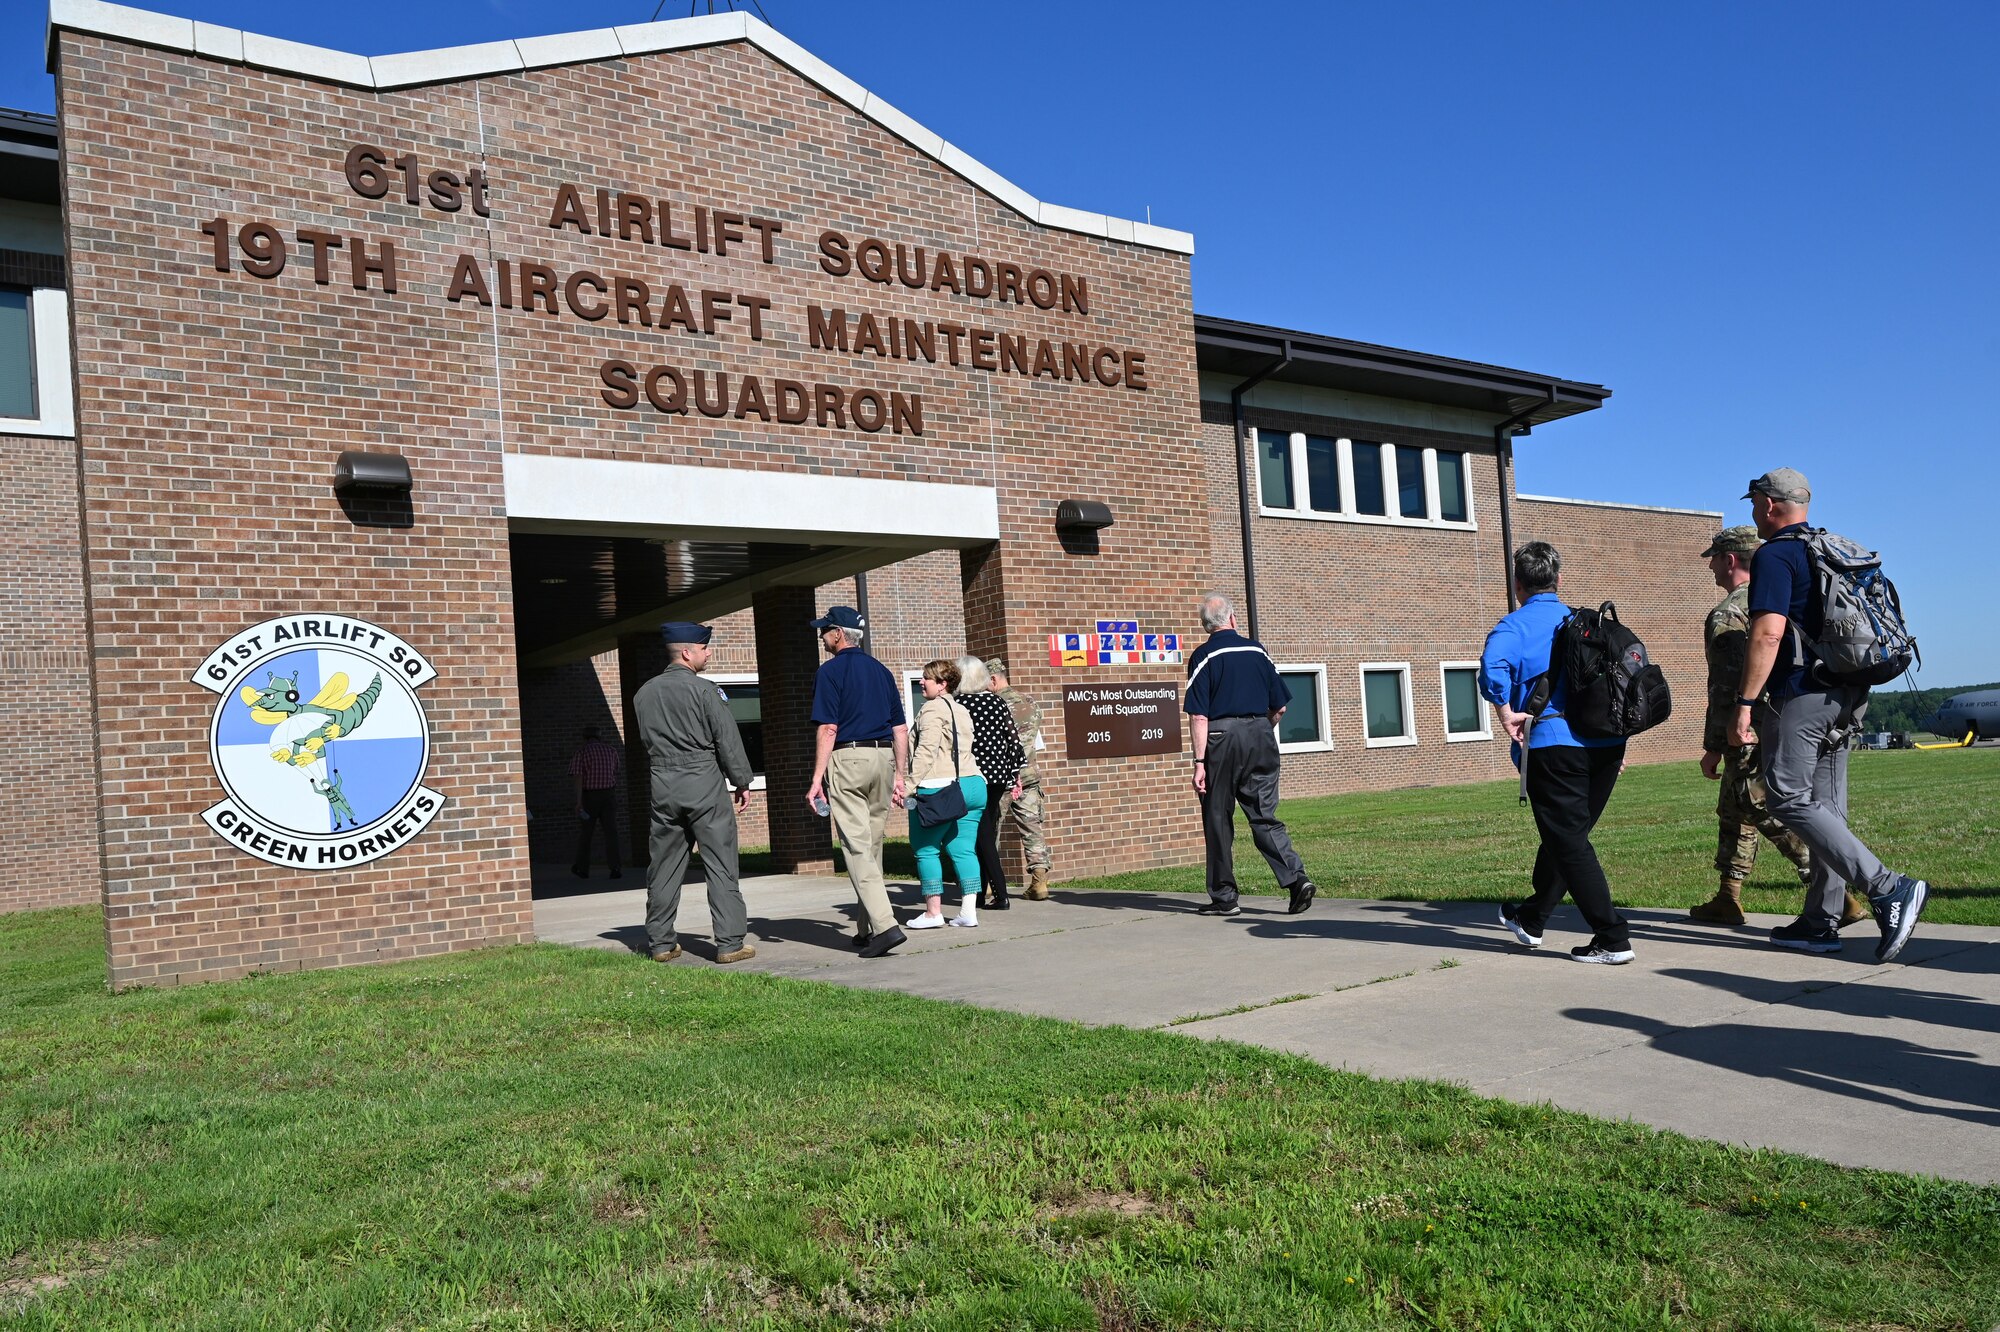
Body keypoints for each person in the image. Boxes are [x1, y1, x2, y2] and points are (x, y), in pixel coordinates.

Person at [1730, 468, 1928, 959]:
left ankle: (1888, 887)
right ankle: (1820, 921)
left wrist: (1745, 704)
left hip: (1802, 696)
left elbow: (1768, 634)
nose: (1753, 513)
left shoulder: (1775, 554)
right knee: (1827, 808)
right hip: (1849, 692)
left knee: (1786, 797)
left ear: (1771, 504)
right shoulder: (1832, 550)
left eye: (1754, 504)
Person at [1690, 526, 1863, 928]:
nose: (1712, 566)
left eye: (1714, 558)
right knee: (1734, 807)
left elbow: (1727, 686)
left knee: (1759, 803)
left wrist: (1716, 742)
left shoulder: (1730, 612)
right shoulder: (1781, 598)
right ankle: (1727, 897)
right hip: (1797, 716)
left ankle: (1835, 891)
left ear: (1730, 559)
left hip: (1752, 725)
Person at [1481, 542, 1635, 964]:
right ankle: (1532, 918)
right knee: (1567, 837)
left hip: (1554, 745)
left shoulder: (1512, 627)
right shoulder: (1586, 621)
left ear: (1518, 585)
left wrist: (1506, 711)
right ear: (1558, 580)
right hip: (1606, 743)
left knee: (1569, 842)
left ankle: (1612, 937)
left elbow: (1491, 671)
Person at [1182, 593, 1317, 917]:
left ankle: (1225, 898)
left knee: (1217, 818)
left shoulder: (1203, 656)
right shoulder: (1258, 651)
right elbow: (1280, 706)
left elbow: (1199, 716)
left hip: (1221, 739)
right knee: (1264, 815)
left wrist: (1200, 763)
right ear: (1232, 619)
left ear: (1206, 626)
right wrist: (1258, 730)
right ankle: (1297, 881)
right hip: (1260, 733)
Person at [632, 621, 756, 964]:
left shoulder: (644, 693)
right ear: (687, 653)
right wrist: (742, 781)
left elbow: (645, 741)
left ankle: (660, 943)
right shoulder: (705, 691)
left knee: (664, 865)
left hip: (662, 782)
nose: (709, 653)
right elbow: (726, 739)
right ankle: (730, 943)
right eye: (704, 649)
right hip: (702, 779)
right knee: (720, 862)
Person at [804, 605, 911, 958]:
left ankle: (885, 927)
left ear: (838, 633)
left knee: (855, 845)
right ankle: (867, 928)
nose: (821, 637)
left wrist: (817, 779)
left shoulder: (830, 672)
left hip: (848, 758)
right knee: (873, 843)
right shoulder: (882, 671)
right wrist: (900, 774)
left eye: (824, 631)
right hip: (882, 757)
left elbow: (828, 727)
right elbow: (900, 728)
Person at [905, 659, 987, 929]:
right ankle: (968, 912)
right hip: (975, 784)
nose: (921, 682)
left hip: (943, 786)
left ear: (942, 685)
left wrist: (907, 785)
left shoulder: (931, 709)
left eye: (926, 678)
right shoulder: (961, 709)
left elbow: (926, 751)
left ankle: (933, 913)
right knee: (963, 849)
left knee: (925, 849)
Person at [955, 656, 1025, 911]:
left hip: (973, 776)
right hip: (998, 776)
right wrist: (1015, 772)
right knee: (983, 833)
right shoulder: (997, 702)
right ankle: (985, 893)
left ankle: (998, 893)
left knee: (980, 836)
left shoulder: (959, 704)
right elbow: (1013, 741)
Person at [985, 658, 1053, 899]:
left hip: (1001, 778)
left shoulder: (992, 704)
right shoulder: (1030, 702)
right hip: (1029, 775)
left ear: (993, 679)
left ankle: (989, 884)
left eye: (986, 682)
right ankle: (1039, 882)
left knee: (991, 829)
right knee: (1032, 828)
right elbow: (1036, 741)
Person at [569, 724, 624, 879]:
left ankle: (582, 868)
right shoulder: (611, 751)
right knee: (611, 833)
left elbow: (578, 777)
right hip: (609, 795)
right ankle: (615, 868)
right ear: (600, 736)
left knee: (586, 833)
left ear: (585, 738)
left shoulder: (582, 752)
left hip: (590, 797)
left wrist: (578, 802)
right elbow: (616, 772)